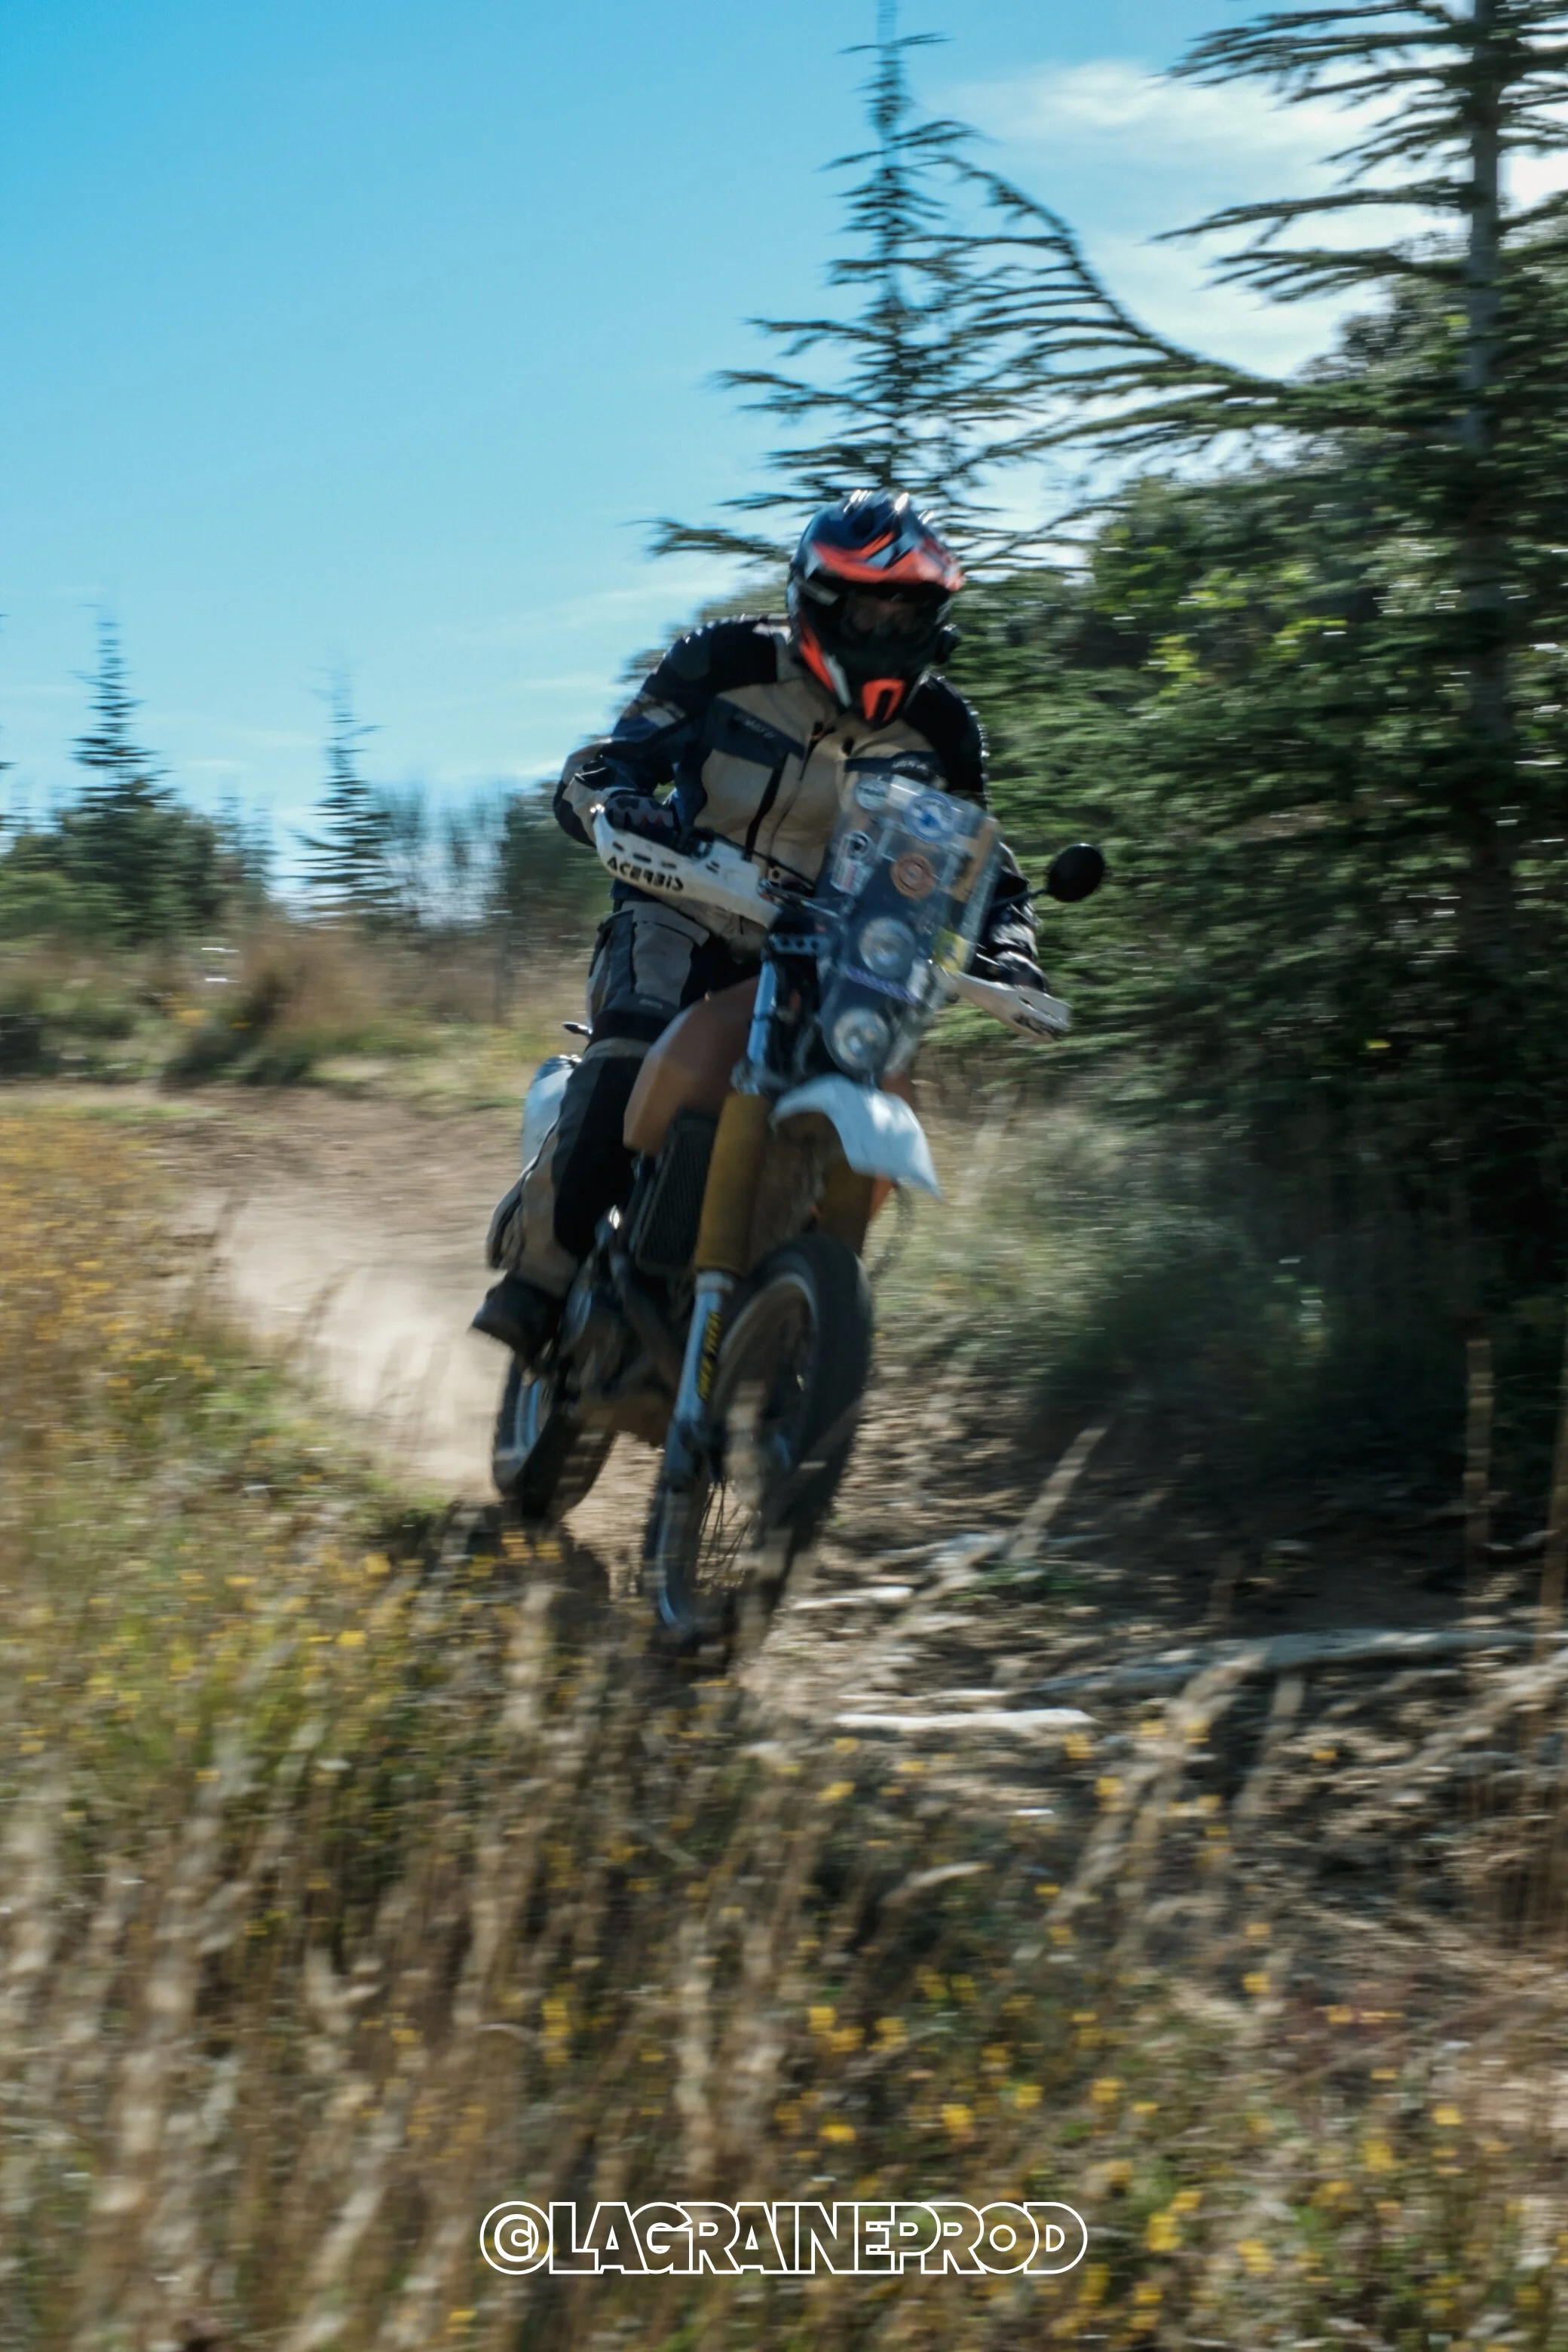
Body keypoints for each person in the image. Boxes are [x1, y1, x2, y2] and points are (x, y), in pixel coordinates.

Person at [472, 488, 1046, 1362]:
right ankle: (542, 1278)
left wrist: (1010, 950)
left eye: (909, 613)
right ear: (817, 602)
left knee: (866, 1076)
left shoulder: (942, 729)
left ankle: (793, 1304)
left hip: (828, 958)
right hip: (681, 903)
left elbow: (983, 864)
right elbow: (610, 760)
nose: (888, 629)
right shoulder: (723, 661)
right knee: (631, 1042)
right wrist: (619, 801)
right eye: (869, 609)